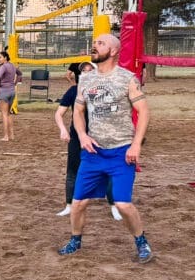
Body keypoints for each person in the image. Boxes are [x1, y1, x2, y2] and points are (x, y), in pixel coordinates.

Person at [58, 33, 151, 261]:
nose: (95, 46)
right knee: (78, 202)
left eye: (101, 44)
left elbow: (145, 111)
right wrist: (82, 135)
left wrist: (136, 145)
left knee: (122, 204)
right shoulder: (85, 79)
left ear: (114, 51)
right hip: (92, 153)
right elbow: (78, 111)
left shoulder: (127, 78)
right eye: (94, 43)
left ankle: (141, 242)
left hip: (121, 151)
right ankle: (75, 240)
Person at [54, 61, 119, 218]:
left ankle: (114, 206)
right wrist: (63, 130)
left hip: (100, 138)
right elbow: (58, 113)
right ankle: (69, 204)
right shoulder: (73, 91)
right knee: (72, 171)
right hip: (77, 138)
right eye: (84, 71)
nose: (86, 73)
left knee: (108, 172)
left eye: (90, 71)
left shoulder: (103, 91)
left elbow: (115, 110)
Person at [0, 50, 19, 141]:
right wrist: (15, 82)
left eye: (0, 57)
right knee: (9, 113)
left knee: (4, 114)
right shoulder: (12, 65)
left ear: (5, 58)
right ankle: (11, 135)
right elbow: (19, 74)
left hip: (4, 91)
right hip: (12, 91)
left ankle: (6, 136)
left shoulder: (4, 66)